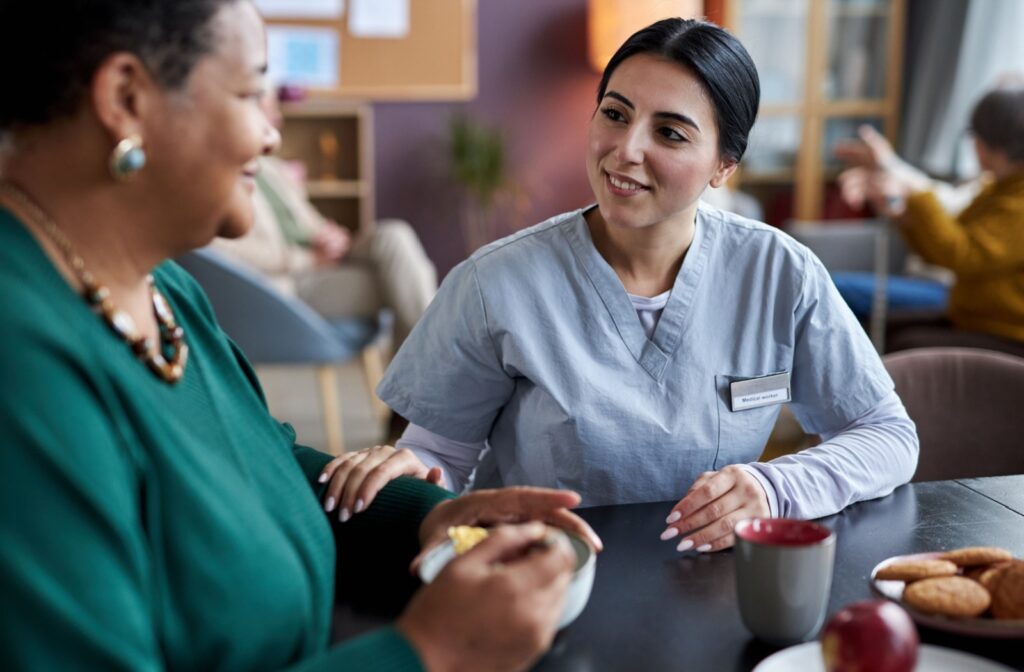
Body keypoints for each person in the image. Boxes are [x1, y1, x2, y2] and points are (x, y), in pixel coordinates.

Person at [0, 2, 602, 670]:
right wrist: (430, 652)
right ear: (125, 97)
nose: (272, 131)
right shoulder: (22, 360)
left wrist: (425, 520)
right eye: (253, 90)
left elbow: (259, 466)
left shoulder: (164, 288)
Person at [320, 18, 919, 553]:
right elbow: (441, 459)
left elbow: (887, 434)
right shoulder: (493, 282)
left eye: (671, 133)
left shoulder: (780, 274)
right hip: (546, 578)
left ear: (724, 166)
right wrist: (404, 469)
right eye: (615, 113)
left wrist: (775, 485)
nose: (625, 150)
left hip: (708, 585)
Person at [211, 94, 437, 358]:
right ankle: (427, 372)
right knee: (400, 283)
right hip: (293, 281)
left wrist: (331, 236)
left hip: (322, 256)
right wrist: (308, 259)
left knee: (394, 235)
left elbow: (310, 220)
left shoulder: (272, 170)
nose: (278, 119)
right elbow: (227, 253)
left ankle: (421, 379)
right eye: (269, 109)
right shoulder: (221, 178)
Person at [837, 86, 1024, 354]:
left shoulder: (1016, 201)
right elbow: (945, 246)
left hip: (1006, 332)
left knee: (904, 343)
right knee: (883, 329)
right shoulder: (997, 188)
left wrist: (916, 195)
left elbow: (961, 253)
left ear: (997, 146)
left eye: (978, 139)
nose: (975, 148)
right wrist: (905, 218)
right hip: (972, 316)